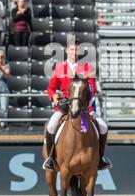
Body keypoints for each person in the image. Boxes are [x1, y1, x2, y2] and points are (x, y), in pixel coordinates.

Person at [43, 39, 111, 171]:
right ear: (67, 50)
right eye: (72, 49)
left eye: (76, 49)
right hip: (64, 108)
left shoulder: (86, 67)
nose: (74, 52)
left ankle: (100, 158)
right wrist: (53, 96)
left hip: (83, 111)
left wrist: (86, 83)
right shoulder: (59, 67)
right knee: (51, 126)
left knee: (103, 126)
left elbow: (92, 87)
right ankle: (51, 158)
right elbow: (50, 89)